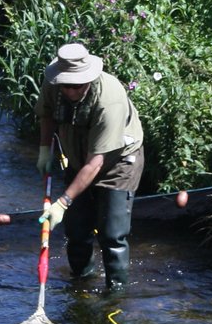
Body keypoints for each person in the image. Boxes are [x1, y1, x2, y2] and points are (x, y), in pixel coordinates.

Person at [36, 42, 144, 291]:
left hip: (117, 163)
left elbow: (96, 162)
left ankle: (115, 295)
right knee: (76, 230)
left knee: (111, 234)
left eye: (77, 86)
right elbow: (48, 114)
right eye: (67, 86)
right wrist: (44, 150)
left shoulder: (110, 100)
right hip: (78, 156)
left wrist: (62, 203)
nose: (71, 91)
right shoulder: (54, 83)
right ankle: (81, 285)